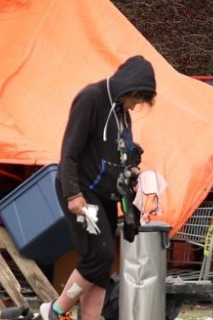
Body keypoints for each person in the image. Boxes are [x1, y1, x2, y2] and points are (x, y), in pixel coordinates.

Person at [40, 55, 157, 320]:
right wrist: (73, 193)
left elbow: (121, 154)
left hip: (104, 194)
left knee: (103, 264)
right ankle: (55, 311)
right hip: (81, 191)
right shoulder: (91, 98)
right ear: (128, 87)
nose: (136, 105)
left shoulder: (121, 113)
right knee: (98, 254)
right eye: (136, 98)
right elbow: (69, 150)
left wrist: (136, 173)